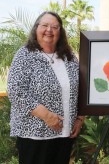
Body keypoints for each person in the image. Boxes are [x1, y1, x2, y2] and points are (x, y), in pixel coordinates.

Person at [7, 11, 84, 164]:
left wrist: (80, 118)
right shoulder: (25, 55)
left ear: (60, 32)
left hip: (64, 134)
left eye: (55, 27)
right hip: (34, 134)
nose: (49, 30)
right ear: (36, 29)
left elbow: (81, 88)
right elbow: (16, 90)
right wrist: (47, 116)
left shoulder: (69, 57)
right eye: (45, 25)